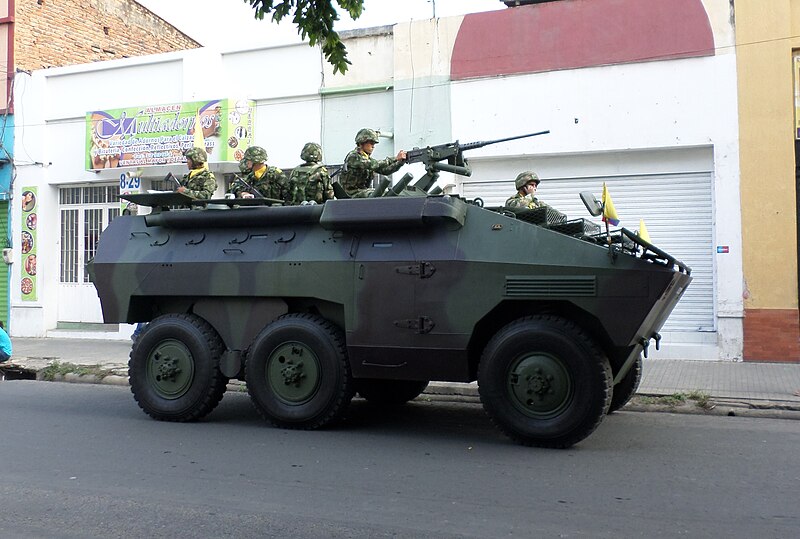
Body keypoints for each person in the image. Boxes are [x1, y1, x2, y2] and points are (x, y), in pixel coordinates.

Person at [339, 128, 407, 198]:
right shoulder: (354, 156)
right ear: (362, 142)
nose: (373, 146)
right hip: (351, 193)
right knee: (379, 195)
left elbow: (385, 170)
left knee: (389, 194)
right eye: (371, 143)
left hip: (363, 191)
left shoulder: (367, 158)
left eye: (374, 144)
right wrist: (395, 158)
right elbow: (376, 164)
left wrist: (400, 163)